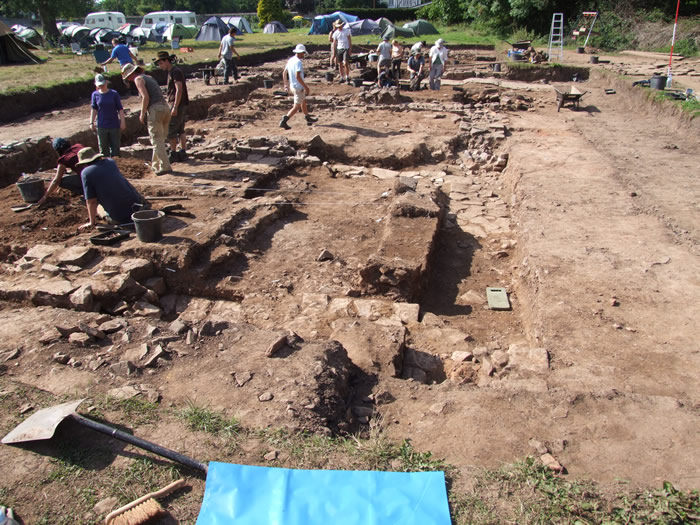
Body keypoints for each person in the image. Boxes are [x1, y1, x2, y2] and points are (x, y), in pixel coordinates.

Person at [75, 147, 147, 229]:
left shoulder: (86, 173)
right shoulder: (110, 162)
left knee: (99, 208)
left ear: (84, 163)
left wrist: (92, 222)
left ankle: (112, 218)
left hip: (120, 218)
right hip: (138, 208)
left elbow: (91, 202)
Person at [121, 63, 171, 175]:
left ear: (132, 73)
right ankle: (155, 164)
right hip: (165, 108)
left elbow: (145, 97)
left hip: (155, 109)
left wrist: (142, 114)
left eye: (128, 77)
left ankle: (165, 166)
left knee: (156, 139)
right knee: (159, 139)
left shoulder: (138, 79)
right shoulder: (149, 77)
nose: (128, 79)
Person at [155, 51, 189, 163]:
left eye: (160, 63)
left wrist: (174, 106)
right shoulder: (173, 71)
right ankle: (183, 152)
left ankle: (174, 153)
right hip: (181, 104)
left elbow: (179, 89)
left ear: (166, 61)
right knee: (180, 129)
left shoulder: (175, 72)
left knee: (171, 130)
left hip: (177, 104)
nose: (160, 66)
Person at [279, 44, 318, 130]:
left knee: (303, 101)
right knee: (296, 106)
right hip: (298, 87)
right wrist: (306, 87)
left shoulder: (291, 60)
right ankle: (284, 120)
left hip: (293, 86)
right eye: (303, 53)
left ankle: (307, 117)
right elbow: (298, 76)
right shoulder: (298, 62)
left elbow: (284, 73)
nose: (304, 55)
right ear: (300, 53)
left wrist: (286, 84)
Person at [38, 138, 86, 205]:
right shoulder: (79, 146)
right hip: (101, 173)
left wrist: (45, 196)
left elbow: (56, 181)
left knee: (62, 181)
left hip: (89, 179)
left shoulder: (64, 159)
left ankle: (86, 193)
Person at [90, 74, 125, 158]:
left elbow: (120, 109)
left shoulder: (114, 94)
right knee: (103, 148)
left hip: (114, 125)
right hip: (102, 125)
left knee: (115, 148)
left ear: (106, 82)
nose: (101, 86)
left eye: (103, 84)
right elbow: (94, 109)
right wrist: (91, 122)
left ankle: (116, 165)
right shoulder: (95, 95)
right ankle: (105, 166)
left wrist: (123, 121)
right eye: (99, 85)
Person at [331, 19, 352, 84]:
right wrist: (334, 52)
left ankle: (347, 76)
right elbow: (334, 43)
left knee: (345, 63)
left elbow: (349, 40)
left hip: (346, 48)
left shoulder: (346, 31)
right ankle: (342, 77)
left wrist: (350, 49)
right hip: (339, 48)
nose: (339, 27)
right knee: (340, 63)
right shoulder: (335, 33)